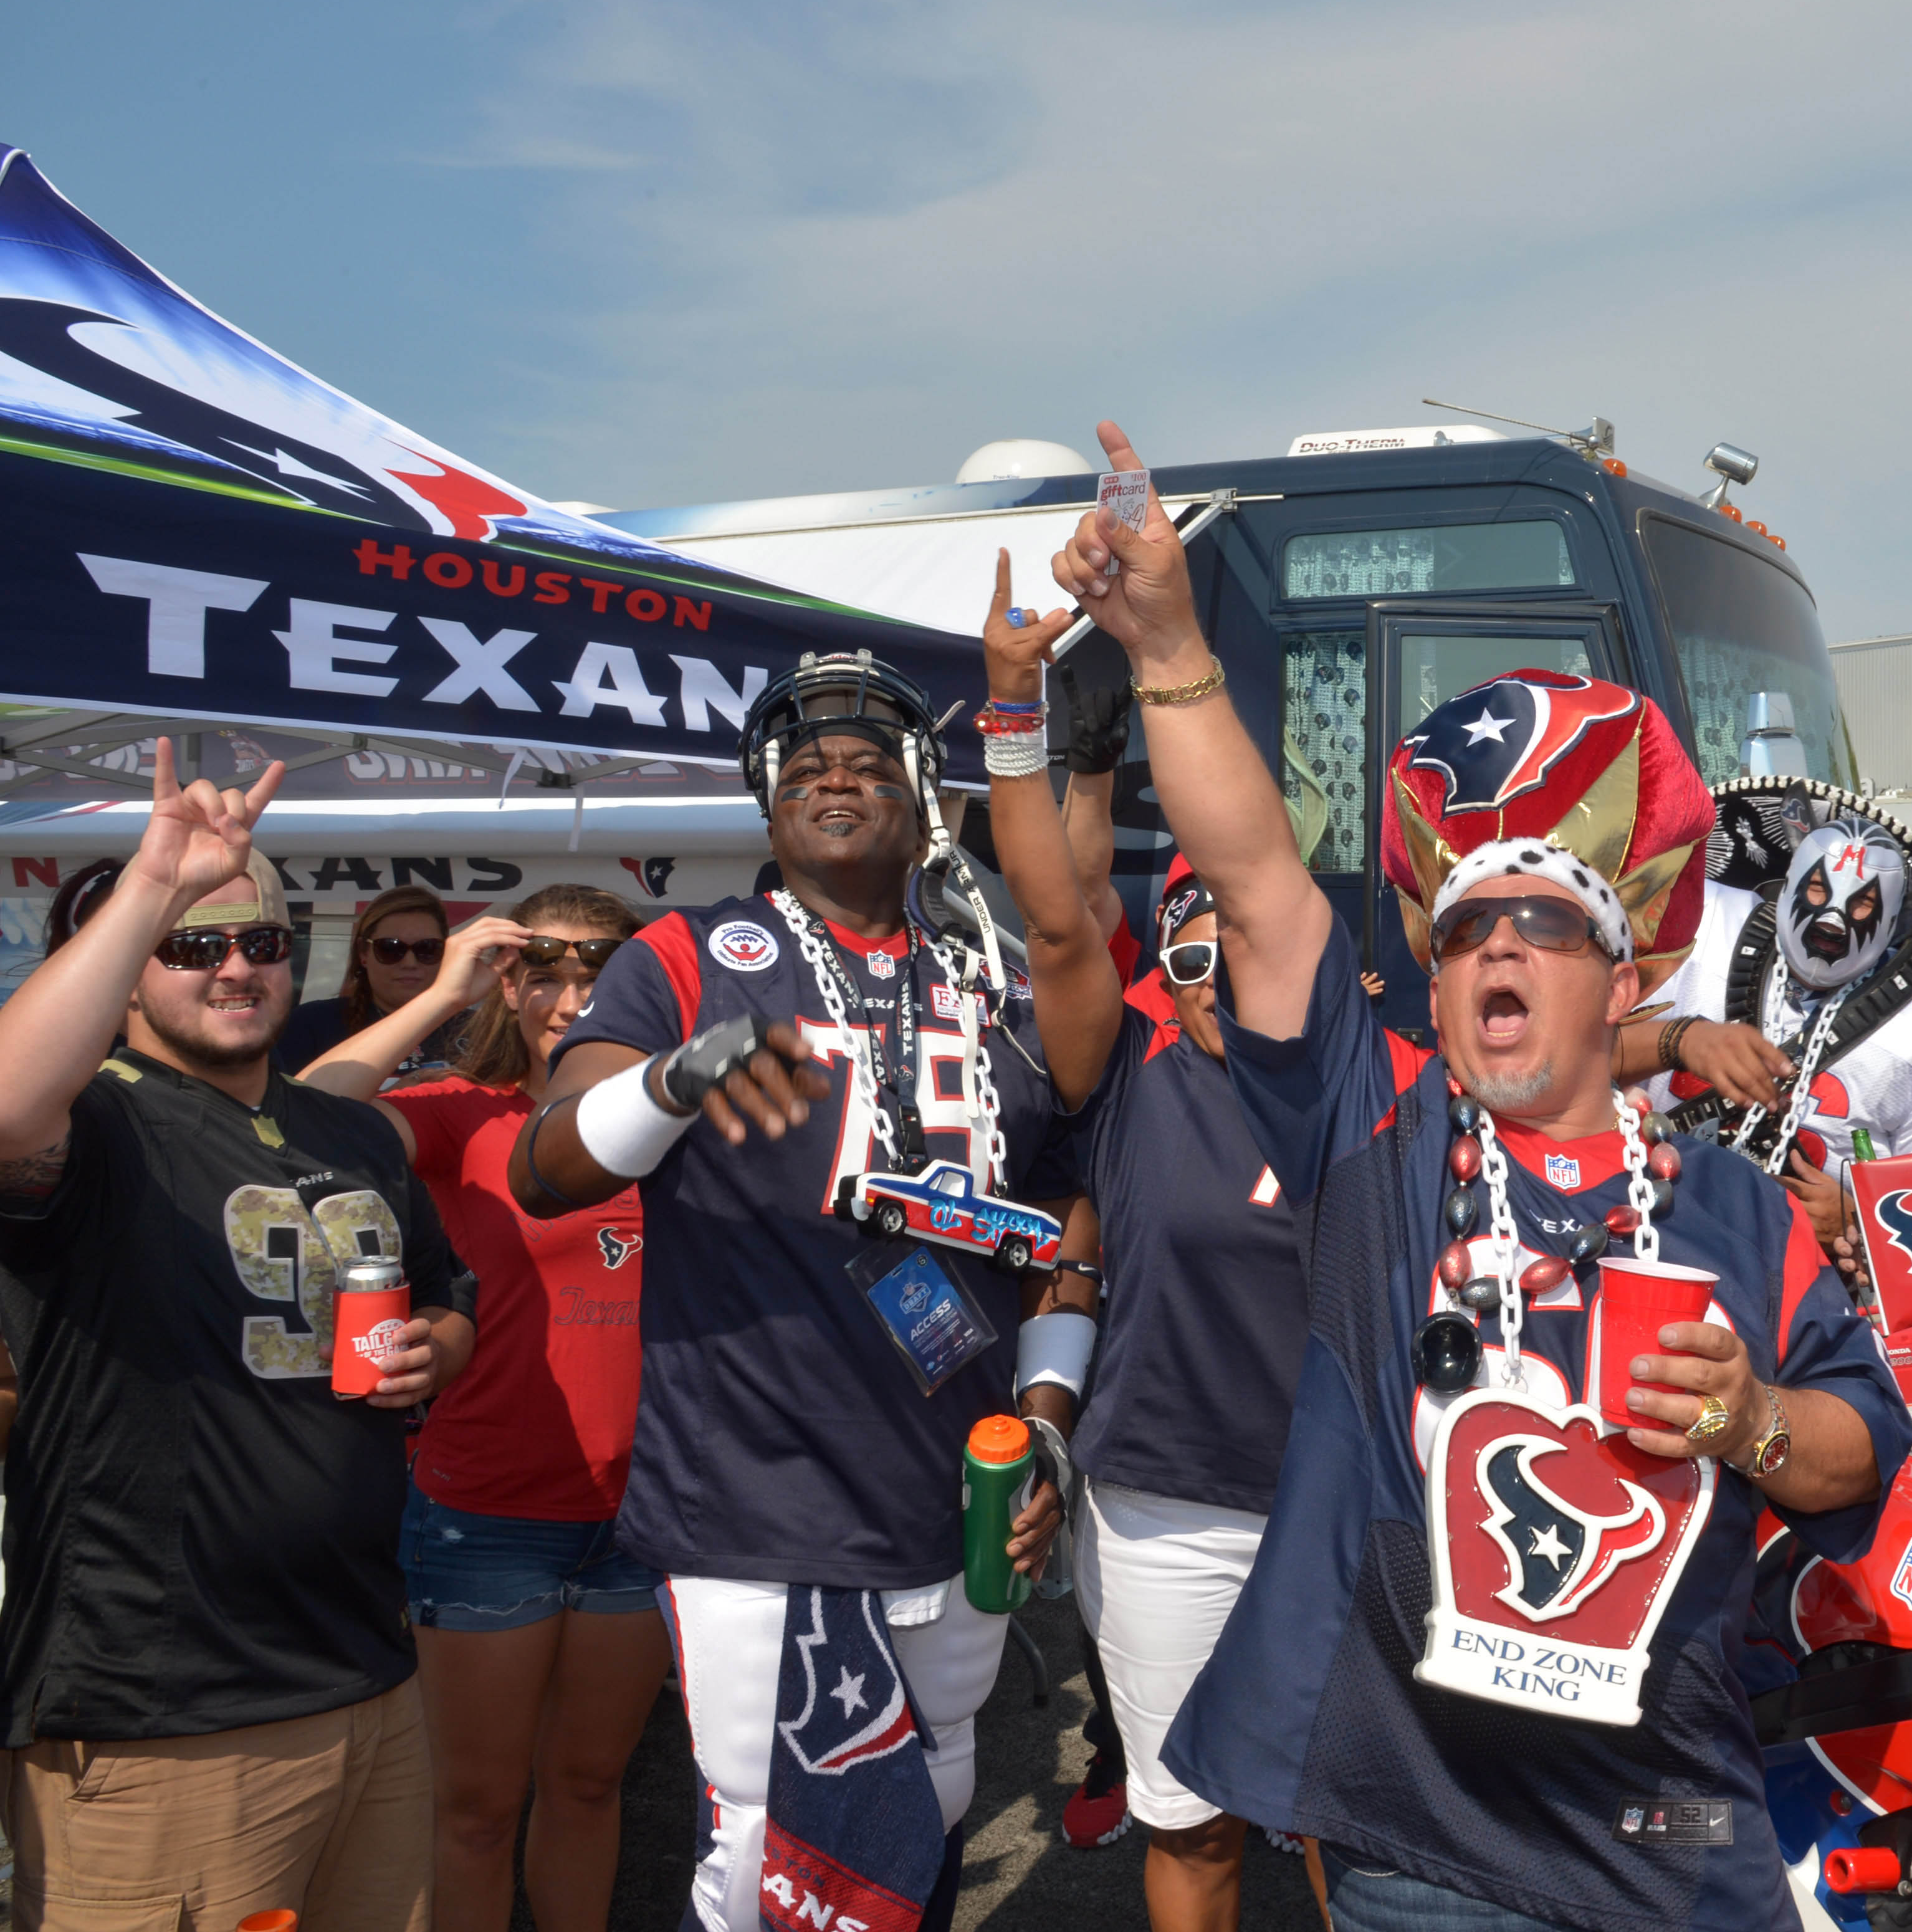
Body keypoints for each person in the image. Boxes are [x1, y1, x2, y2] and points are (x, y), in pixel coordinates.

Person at [1056, 423, 1910, 1932]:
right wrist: (1173, 641)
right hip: (1425, 1840)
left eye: (1544, 924)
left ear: (1621, 974)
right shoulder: (1374, 1151)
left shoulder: (1736, 1210)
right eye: (1462, 929)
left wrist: (1759, 1417)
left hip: (1670, 1823)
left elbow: (1858, 1449)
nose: (1498, 944)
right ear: (1435, 983)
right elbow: (1255, 878)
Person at [509, 580, 1121, 1932]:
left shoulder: (991, 974)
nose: (830, 777)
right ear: (764, 797)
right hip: (755, 1498)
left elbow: (1069, 1215)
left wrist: (1047, 1419)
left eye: (864, 761)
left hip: (953, 1479)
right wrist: (675, 1079)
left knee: (939, 1801)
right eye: (804, 762)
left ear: (920, 799)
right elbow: (544, 1163)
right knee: (761, 1858)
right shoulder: (688, 954)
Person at [0, 744, 472, 1928]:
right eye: (192, 945)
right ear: (126, 972)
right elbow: (6, 1109)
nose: (236, 968)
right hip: (163, 1710)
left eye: (262, 941)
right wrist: (152, 881)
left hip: (370, 1670)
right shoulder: (99, 1123)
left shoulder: (347, 1130)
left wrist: (435, 1344)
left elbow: (451, 1291)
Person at [297, 884, 661, 1932]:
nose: (574, 992)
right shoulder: (466, 1110)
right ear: (506, 983)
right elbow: (306, 1116)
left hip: (640, 1517)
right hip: (488, 1514)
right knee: (476, 1809)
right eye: (542, 968)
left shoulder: (677, 1120)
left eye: (600, 966)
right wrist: (442, 986)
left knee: (592, 1786)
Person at [1069, 859, 1416, 1931]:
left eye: (1248, 952)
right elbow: (1058, 911)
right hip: (1165, 1505)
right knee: (1191, 1821)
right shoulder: (1131, 1072)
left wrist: (1679, 1046)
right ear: (1162, 978)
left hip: (1345, 1514)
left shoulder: (1387, 1080)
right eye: (1191, 959)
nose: (1219, 980)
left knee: (1354, 1823)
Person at [1618, 780, 1912, 1251]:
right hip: (1647, 1231)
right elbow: (1569, 1057)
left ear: (1896, 916)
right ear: (1793, 878)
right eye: (1818, 888)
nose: (1833, 919)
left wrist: (1861, 1224)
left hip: (1814, 1280)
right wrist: (1681, 1040)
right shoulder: (1695, 918)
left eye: (1863, 902)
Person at [278, 882, 467, 1077]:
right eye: (390, 949)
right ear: (363, 954)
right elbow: (278, 1105)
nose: (410, 963)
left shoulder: (478, 1030)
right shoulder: (312, 1025)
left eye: (427, 949)